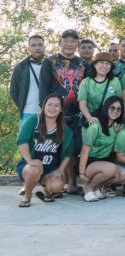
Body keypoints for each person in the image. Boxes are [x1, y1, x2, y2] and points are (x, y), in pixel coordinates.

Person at [39, 29, 92, 195]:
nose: (69, 44)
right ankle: (51, 183)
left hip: (76, 114)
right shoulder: (49, 62)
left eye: (73, 41)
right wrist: (46, 112)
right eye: (66, 40)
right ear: (60, 43)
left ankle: (72, 184)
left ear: (77, 44)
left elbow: (89, 88)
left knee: (73, 149)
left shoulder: (84, 64)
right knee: (53, 149)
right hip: (55, 114)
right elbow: (43, 89)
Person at [16, 94, 73, 207]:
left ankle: (47, 191)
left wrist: (60, 170)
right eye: (49, 104)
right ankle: (27, 195)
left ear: (61, 109)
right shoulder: (33, 121)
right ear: (43, 106)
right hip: (30, 167)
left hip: (50, 169)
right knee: (34, 169)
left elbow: (68, 153)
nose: (52, 108)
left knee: (57, 186)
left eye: (56, 105)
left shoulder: (65, 130)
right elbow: (22, 141)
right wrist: (30, 160)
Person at [78, 96, 125, 202]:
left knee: (122, 174)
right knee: (111, 168)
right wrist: (81, 174)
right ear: (106, 108)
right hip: (90, 163)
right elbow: (85, 151)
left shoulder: (115, 126)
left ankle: (96, 187)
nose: (115, 111)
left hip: (104, 163)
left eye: (119, 109)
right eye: (112, 108)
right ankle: (88, 187)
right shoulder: (95, 126)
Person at [78, 52, 122, 129]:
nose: (104, 66)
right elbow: (82, 104)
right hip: (92, 121)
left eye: (108, 63)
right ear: (95, 65)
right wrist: (89, 118)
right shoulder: (86, 82)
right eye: (101, 62)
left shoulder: (115, 81)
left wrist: (119, 120)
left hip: (110, 121)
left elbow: (120, 102)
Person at [11, 35, 46, 127]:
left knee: (48, 141)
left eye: (40, 45)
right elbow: (13, 91)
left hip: (48, 114)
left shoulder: (52, 66)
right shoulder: (20, 67)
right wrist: (23, 105)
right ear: (28, 48)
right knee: (25, 140)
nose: (37, 47)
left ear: (44, 47)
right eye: (33, 45)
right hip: (27, 113)